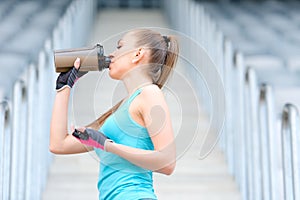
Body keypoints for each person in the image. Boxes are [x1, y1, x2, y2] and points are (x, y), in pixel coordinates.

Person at [50, 28, 179, 200]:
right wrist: (64, 87)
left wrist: (108, 145)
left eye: (119, 47)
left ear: (137, 54)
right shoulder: (121, 109)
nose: (112, 54)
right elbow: (59, 145)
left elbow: (167, 162)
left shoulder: (150, 93)